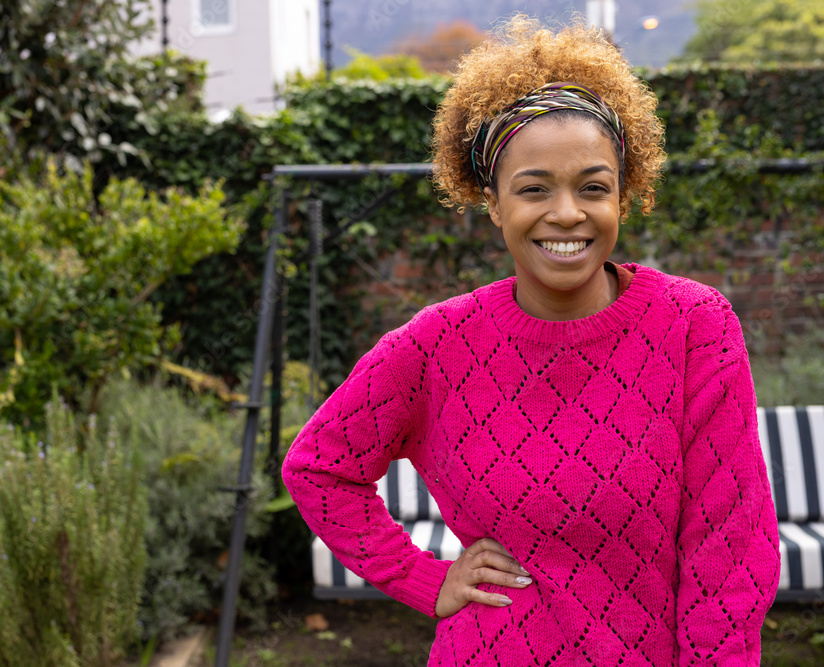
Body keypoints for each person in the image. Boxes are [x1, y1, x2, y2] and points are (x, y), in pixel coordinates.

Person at [282, 15, 780, 666]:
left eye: (593, 187)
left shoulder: (692, 325)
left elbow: (732, 544)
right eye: (534, 188)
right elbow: (319, 467)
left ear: (624, 196)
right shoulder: (436, 344)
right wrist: (426, 578)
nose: (567, 212)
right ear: (492, 201)